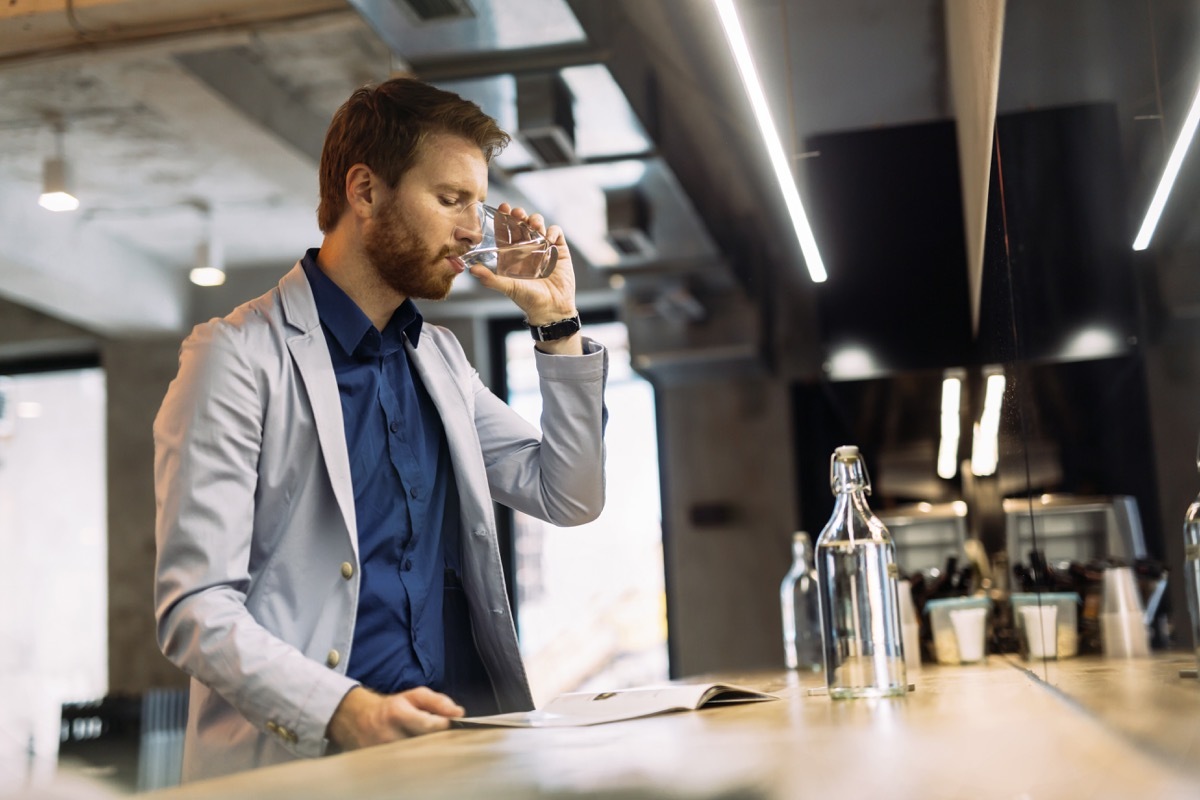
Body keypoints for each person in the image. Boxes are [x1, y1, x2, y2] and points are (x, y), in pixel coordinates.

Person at [153, 77, 607, 782]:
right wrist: (345, 710)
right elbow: (195, 607)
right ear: (364, 192)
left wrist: (557, 323)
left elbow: (569, 494)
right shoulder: (234, 357)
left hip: (458, 755)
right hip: (309, 769)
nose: (471, 230)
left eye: (477, 204)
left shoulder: (439, 359)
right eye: (450, 199)